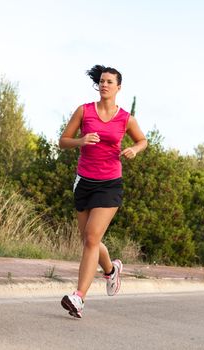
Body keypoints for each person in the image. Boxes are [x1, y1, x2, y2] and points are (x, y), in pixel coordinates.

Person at [59, 65, 147, 318]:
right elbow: (63, 141)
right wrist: (81, 140)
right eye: (101, 81)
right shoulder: (84, 111)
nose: (104, 84)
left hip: (110, 183)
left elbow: (143, 140)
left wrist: (135, 150)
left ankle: (79, 297)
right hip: (84, 181)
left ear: (118, 87)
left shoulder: (125, 118)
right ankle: (111, 270)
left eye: (110, 81)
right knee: (89, 240)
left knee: (92, 237)